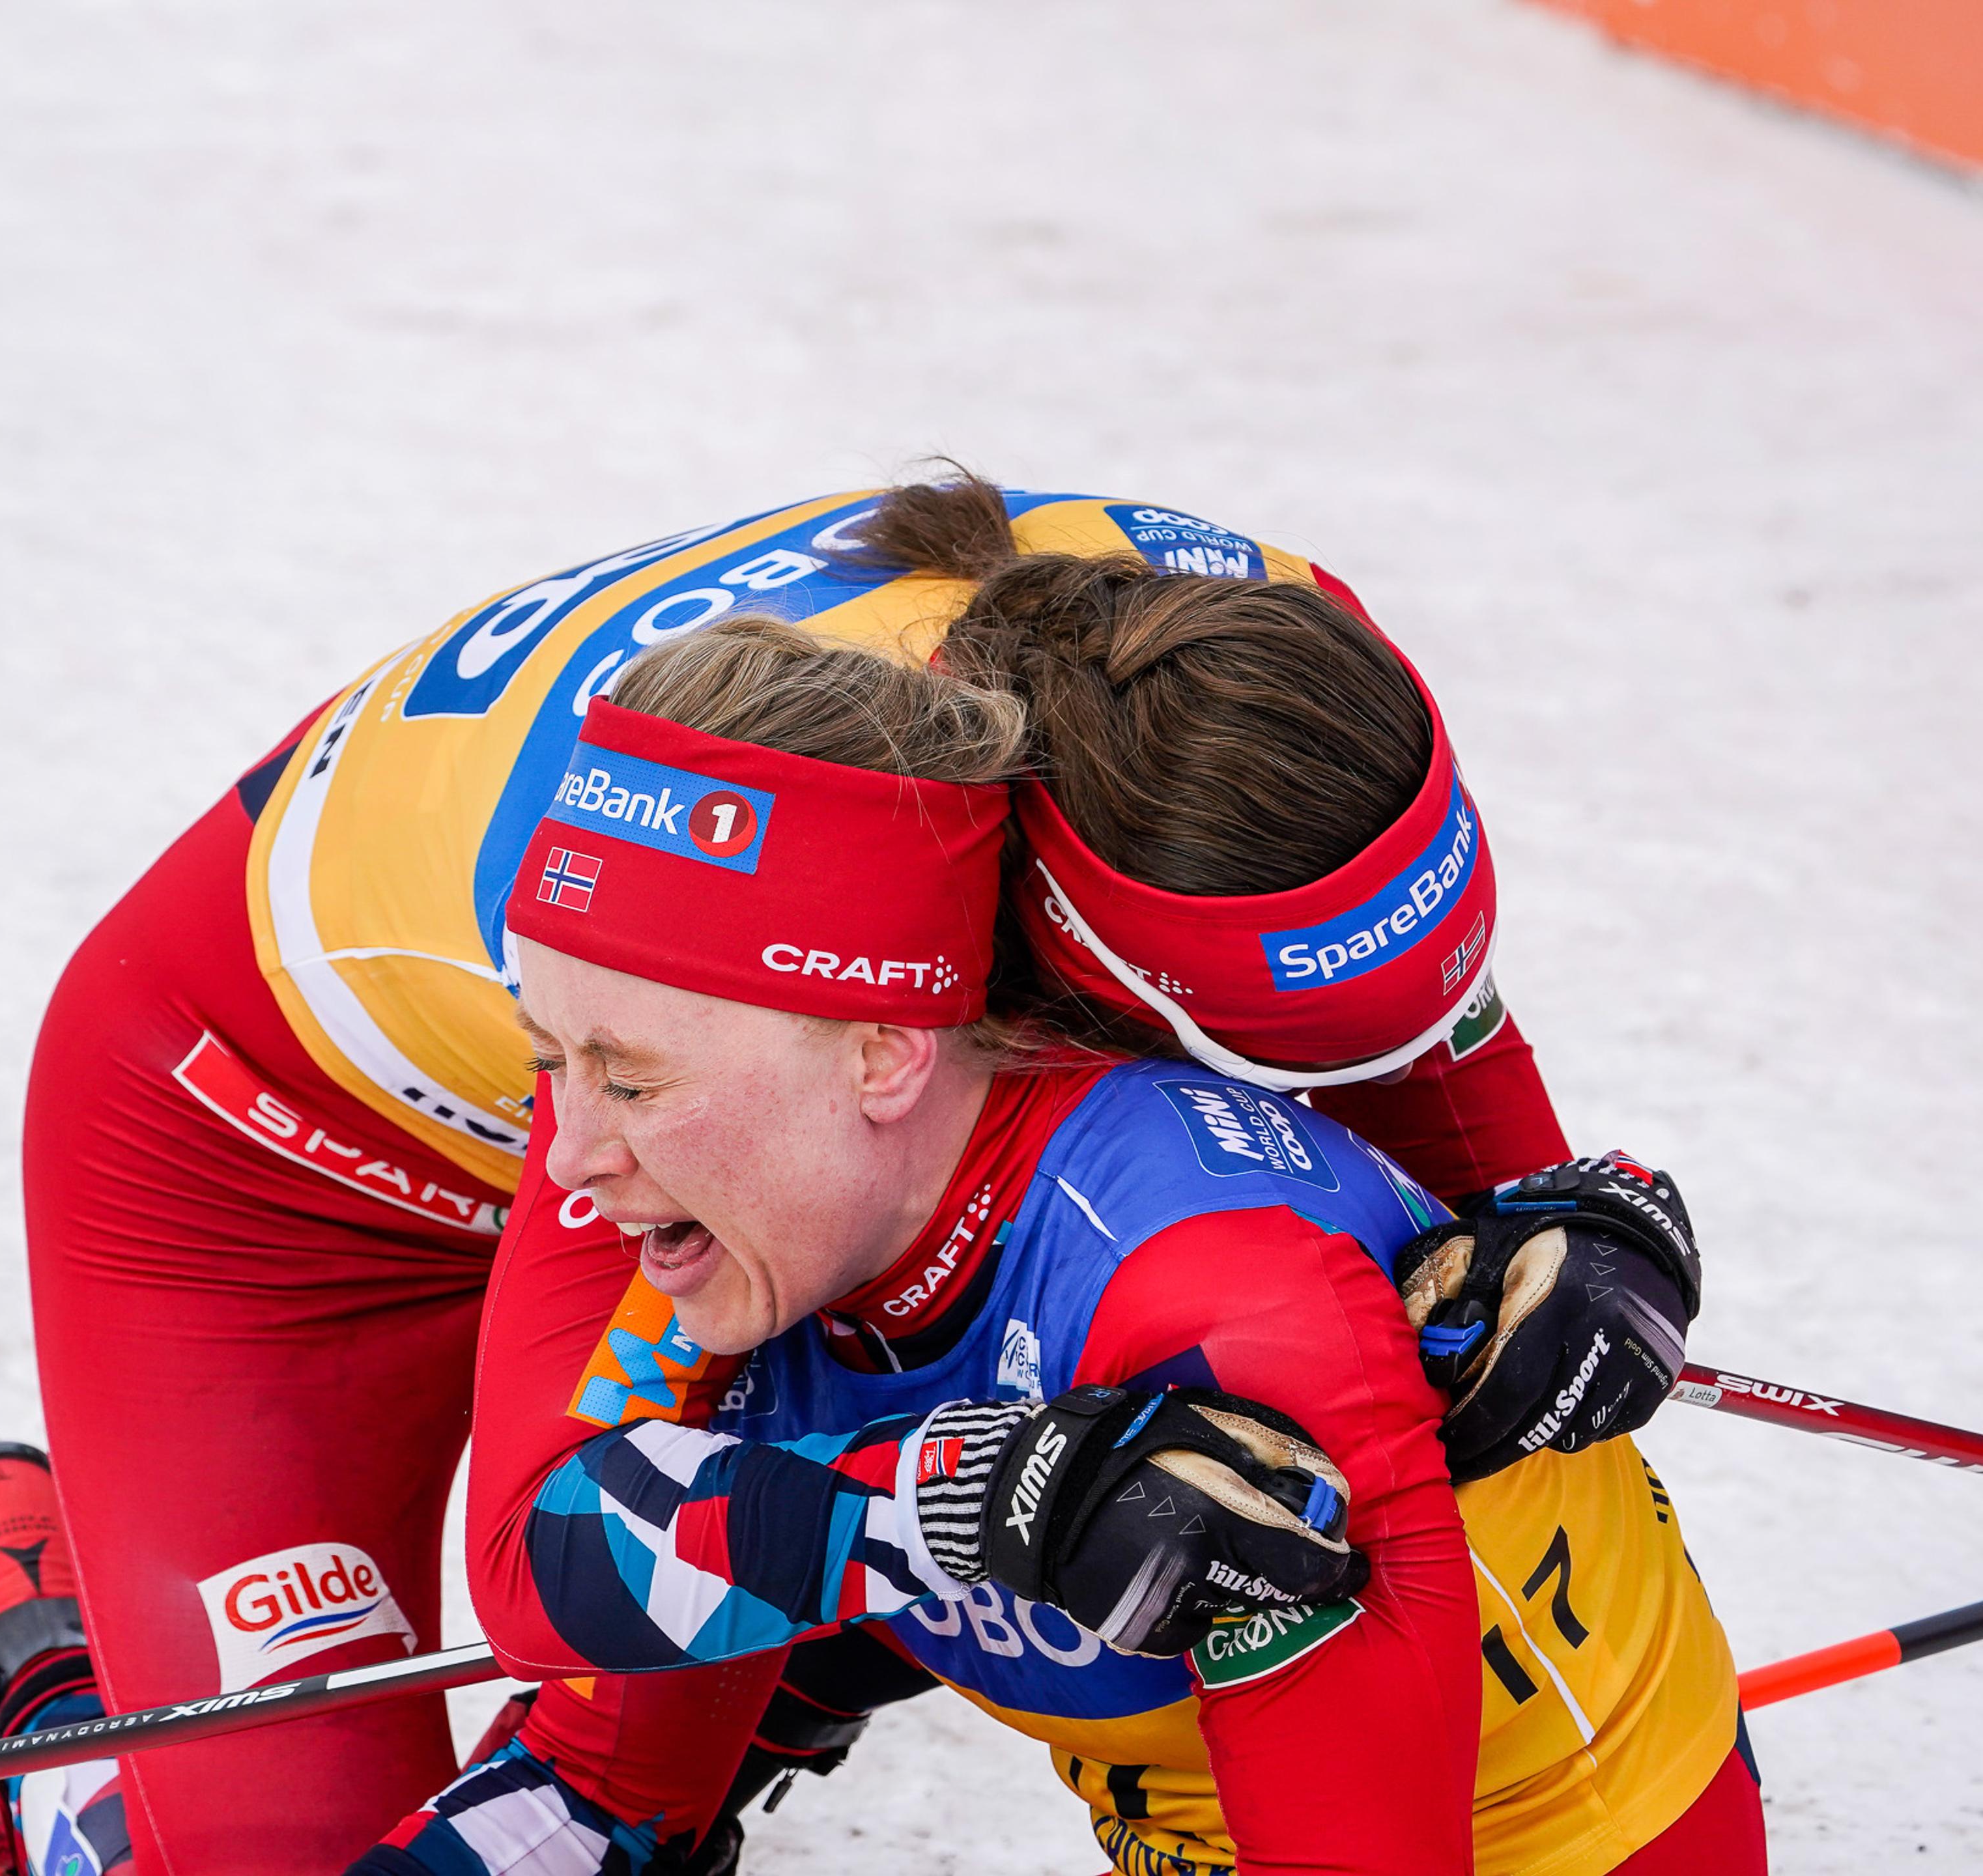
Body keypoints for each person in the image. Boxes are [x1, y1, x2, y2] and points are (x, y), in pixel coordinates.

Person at [0, 480, 1707, 1876]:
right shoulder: (687, 938)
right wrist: (956, 1515)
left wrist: (1562, 1223)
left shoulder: (1236, 664)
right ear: (1019, 930)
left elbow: (1398, 1016)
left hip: (721, 1103)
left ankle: (811, 1655)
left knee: (946, 1339)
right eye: (1227, 1053)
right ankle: (39, 1715)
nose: (1305, 1101)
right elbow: (559, 1538)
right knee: (498, 1792)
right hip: (258, 1150)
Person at [433, 599, 1756, 1874]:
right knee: (740, 1447)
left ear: (883, 1051)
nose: (568, 1160)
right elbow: (536, 1555)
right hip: (1137, 1728)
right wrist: (957, 1499)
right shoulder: (677, 1099)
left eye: (628, 1081)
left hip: (1540, 1831)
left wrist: (1572, 1203)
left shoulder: (1208, 1286)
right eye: (549, 1059)